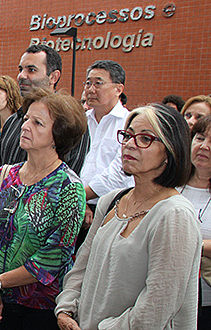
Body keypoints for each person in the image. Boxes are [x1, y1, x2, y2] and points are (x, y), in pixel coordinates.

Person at [55, 104, 200, 330]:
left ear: (171, 150)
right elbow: (81, 267)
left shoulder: (174, 214)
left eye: (145, 138)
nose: (130, 144)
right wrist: (65, 309)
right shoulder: (111, 201)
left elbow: (157, 305)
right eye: (128, 136)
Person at [0, 89, 87, 329]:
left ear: (58, 135)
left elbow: (52, 258)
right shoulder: (5, 175)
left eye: (37, 123)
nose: (25, 126)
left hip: (36, 308)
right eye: (26, 119)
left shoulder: (69, 188)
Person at [0, 45, 90, 195]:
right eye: (21, 69)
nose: (21, 76)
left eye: (31, 70)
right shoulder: (13, 122)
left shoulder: (69, 122)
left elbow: (65, 181)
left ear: (53, 77)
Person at [78, 60, 134, 246]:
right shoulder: (81, 122)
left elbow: (119, 173)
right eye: (88, 83)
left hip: (112, 207)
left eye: (98, 83)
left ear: (118, 89)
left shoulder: (128, 123)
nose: (90, 89)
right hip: (78, 205)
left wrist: (79, 196)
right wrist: (81, 201)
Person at [180, 115, 211, 328]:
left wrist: (195, 245)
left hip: (205, 300)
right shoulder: (168, 185)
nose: (204, 147)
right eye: (200, 138)